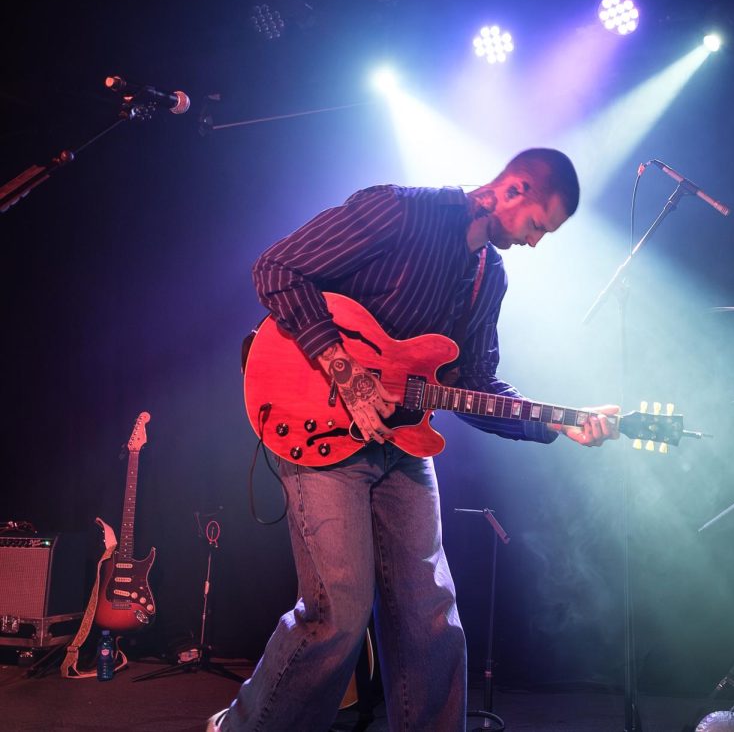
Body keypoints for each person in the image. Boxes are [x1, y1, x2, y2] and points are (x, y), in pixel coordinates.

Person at [209, 148, 617, 732]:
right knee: (339, 614)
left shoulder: (489, 278)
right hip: (317, 422)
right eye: (536, 226)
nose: (534, 243)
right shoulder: (398, 212)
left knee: (432, 617)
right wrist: (343, 370)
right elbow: (276, 269)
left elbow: (475, 386)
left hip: (401, 446)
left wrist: (557, 420)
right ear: (514, 189)